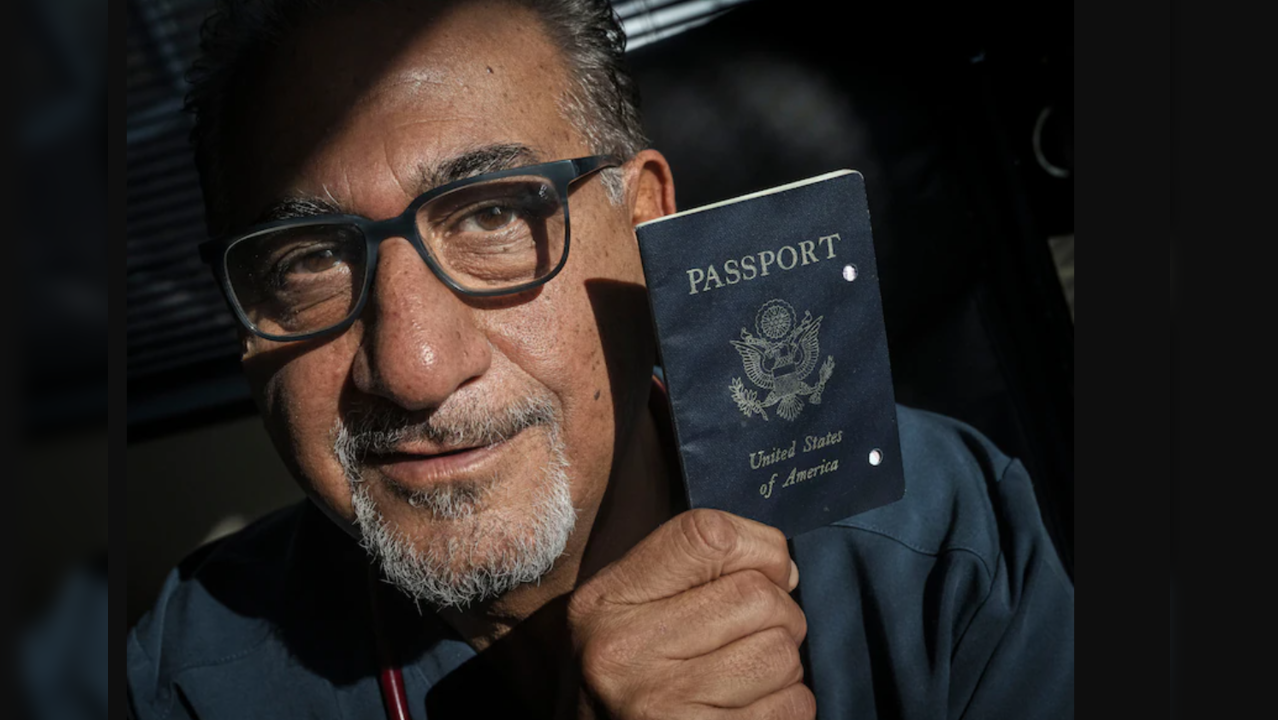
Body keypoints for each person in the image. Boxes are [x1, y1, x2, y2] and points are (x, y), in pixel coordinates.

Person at [126, 1, 1074, 718]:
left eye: (494, 214)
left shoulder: (940, 539)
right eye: (307, 261)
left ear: (646, 220)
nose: (414, 367)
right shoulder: (186, 675)